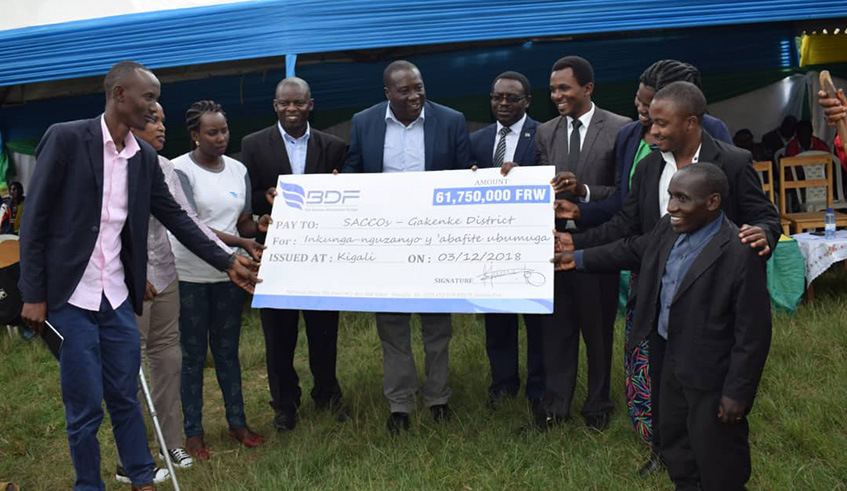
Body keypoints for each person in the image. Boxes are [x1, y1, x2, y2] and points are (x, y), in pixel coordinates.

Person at [18, 61, 259, 491]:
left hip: (116, 297)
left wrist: (225, 260)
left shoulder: (144, 158)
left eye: (157, 97)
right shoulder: (67, 138)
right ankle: (88, 484)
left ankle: (141, 478)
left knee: (125, 392)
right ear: (119, 96)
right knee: (86, 403)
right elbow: (34, 221)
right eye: (148, 97)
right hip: (68, 296)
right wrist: (33, 294)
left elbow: (178, 218)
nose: (155, 106)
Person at [555, 81, 780, 476]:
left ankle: (711, 453)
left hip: (710, 301)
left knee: (704, 384)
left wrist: (764, 231)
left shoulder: (732, 160)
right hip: (656, 291)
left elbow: (763, 214)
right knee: (663, 383)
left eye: (661, 123)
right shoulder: (648, 167)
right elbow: (629, 229)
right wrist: (577, 245)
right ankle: (666, 452)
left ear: (691, 123)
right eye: (650, 122)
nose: (652, 131)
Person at [557, 59, 733, 445]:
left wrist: (762, 232)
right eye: (641, 106)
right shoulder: (630, 138)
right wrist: (580, 223)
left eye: (653, 109)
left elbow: (741, 206)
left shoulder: (717, 141)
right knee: (649, 357)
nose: (645, 118)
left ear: (687, 116)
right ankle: (657, 441)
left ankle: (703, 436)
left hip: (701, 274)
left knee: (698, 363)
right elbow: (626, 208)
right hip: (647, 267)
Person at [114, 102, 264, 480]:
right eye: (152, 120)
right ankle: (164, 444)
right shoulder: (167, 167)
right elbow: (182, 222)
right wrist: (235, 252)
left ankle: (208, 431)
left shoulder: (225, 169)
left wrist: (250, 238)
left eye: (225, 131)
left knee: (204, 357)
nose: (221, 137)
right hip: (167, 277)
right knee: (167, 360)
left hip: (199, 275)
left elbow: (215, 221)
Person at [342, 60, 470, 434]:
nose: (414, 96)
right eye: (405, 91)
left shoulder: (451, 120)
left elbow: (466, 174)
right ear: (387, 94)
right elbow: (354, 169)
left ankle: (438, 398)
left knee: (437, 327)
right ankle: (400, 403)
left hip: (435, 241)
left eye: (419, 87)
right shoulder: (364, 121)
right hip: (385, 243)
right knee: (393, 326)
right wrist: (341, 182)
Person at [241, 77, 349, 432]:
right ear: (275, 106)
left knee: (323, 331)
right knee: (278, 336)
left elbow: (348, 193)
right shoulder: (253, 145)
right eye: (285, 104)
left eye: (298, 103)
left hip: (321, 253)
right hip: (276, 255)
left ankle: (327, 394)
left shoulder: (334, 146)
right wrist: (265, 199)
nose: (292, 109)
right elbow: (249, 198)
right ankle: (284, 404)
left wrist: (339, 185)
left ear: (311, 104)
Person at [532, 55, 630, 432]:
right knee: (557, 331)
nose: (557, 95)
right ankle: (555, 407)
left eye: (564, 88)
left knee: (598, 330)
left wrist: (584, 192)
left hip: (596, 244)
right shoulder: (544, 132)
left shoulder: (621, 128)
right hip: (554, 247)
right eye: (553, 89)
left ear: (588, 89)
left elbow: (623, 193)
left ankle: (598, 405)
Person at [171, 100, 267, 459]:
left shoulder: (238, 170)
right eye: (212, 132)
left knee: (228, 352)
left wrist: (256, 226)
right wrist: (242, 242)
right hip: (189, 275)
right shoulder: (178, 170)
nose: (221, 137)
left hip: (231, 276)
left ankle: (237, 424)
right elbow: (190, 225)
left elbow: (241, 222)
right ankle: (193, 433)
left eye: (224, 130)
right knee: (192, 355)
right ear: (195, 136)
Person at [468, 71, 544, 410]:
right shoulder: (477, 140)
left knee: (537, 323)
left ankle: (538, 388)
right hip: (490, 246)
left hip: (532, 243)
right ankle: (502, 386)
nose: (502, 103)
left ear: (527, 101)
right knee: (498, 322)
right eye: (497, 97)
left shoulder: (543, 133)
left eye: (511, 98)